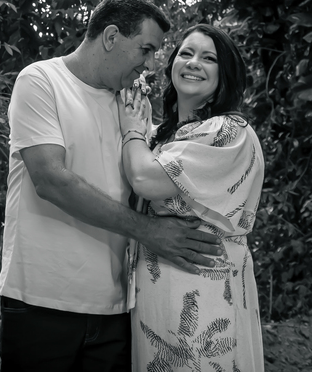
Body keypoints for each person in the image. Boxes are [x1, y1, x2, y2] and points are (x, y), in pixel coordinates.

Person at [0, 0, 226, 372]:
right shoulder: (41, 80)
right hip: (41, 303)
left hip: (116, 311)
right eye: (145, 50)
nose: (149, 64)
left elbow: (155, 179)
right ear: (111, 36)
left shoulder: (131, 107)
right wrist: (149, 231)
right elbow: (51, 180)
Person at [119, 24, 265, 372]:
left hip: (205, 290)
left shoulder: (229, 131)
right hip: (154, 292)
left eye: (209, 58)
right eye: (186, 53)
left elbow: (145, 179)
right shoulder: (160, 136)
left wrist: (131, 130)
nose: (194, 62)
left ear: (225, 74)